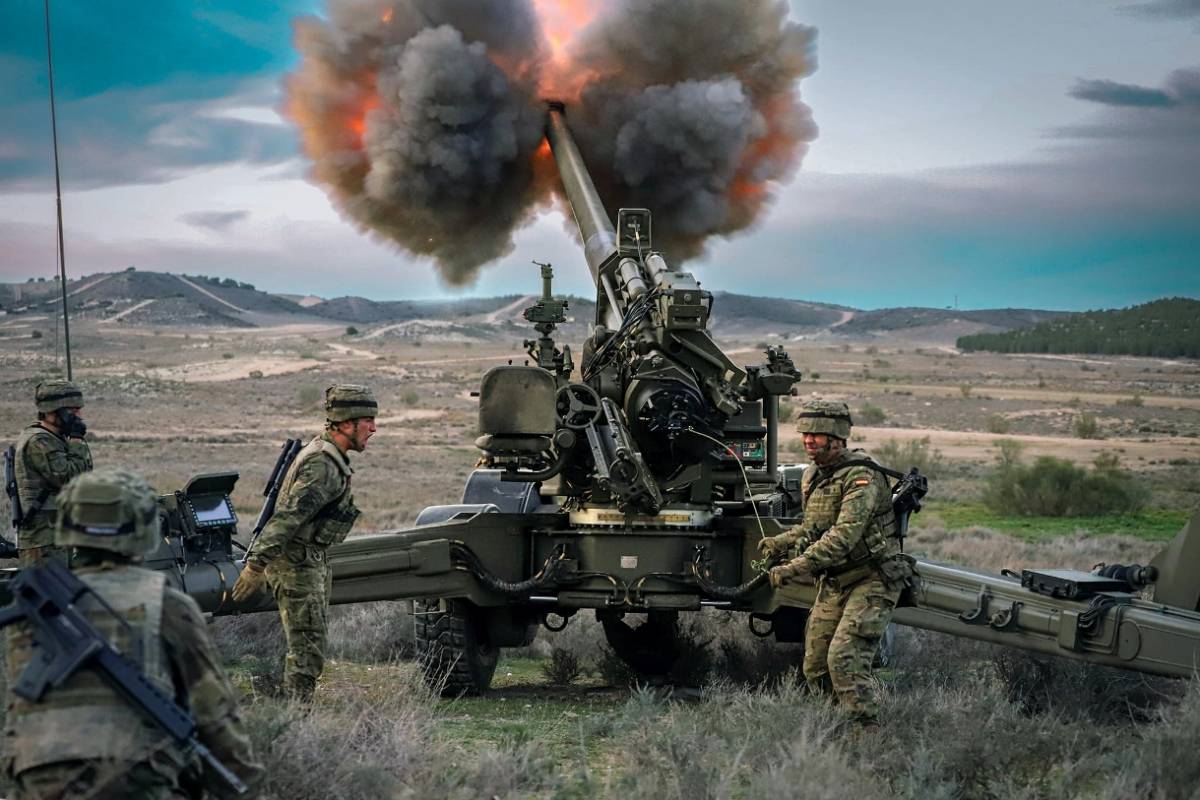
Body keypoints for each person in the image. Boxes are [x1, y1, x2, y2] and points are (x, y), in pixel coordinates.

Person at [3, 468, 264, 799]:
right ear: (145, 529)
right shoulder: (166, 604)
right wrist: (247, 788)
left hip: (37, 785)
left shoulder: (33, 610)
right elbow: (214, 718)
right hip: (135, 782)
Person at [757, 399, 911, 724]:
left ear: (837, 437)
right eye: (804, 434)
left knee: (844, 659)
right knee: (815, 666)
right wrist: (781, 542)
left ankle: (865, 735)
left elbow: (842, 537)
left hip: (873, 578)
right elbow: (814, 526)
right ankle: (836, 726)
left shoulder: (861, 478)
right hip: (835, 581)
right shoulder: (814, 476)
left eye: (817, 435)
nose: (808, 441)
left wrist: (794, 567)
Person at [232, 384, 376, 701]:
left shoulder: (328, 456)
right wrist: (255, 566)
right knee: (306, 648)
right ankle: (298, 721)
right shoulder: (322, 464)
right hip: (296, 565)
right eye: (368, 421)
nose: (374, 429)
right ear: (347, 423)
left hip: (308, 560)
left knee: (309, 644)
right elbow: (287, 518)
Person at [12, 380, 94, 567]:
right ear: (53, 411)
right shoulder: (39, 441)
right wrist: (76, 441)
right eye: (73, 410)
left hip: (58, 538)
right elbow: (68, 478)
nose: (79, 416)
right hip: (44, 544)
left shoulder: (55, 440)